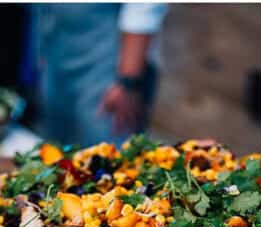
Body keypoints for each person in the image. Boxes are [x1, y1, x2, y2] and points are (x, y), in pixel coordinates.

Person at [34, 4, 168, 147]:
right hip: (57, 58)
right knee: (57, 150)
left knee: (110, 154)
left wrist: (129, 83)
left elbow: (144, 9)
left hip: (110, 71)